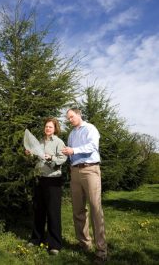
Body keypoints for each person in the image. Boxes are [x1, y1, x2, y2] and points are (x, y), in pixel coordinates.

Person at [62, 108, 107, 264]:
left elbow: (93, 147)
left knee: (95, 208)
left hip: (90, 170)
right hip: (75, 172)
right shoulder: (72, 134)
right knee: (78, 210)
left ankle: (101, 251)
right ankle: (84, 244)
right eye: (68, 118)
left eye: (72, 117)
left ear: (79, 114)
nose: (70, 120)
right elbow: (69, 153)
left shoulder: (90, 128)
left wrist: (73, 150)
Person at [25, 117, 67, 255]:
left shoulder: (59, 142)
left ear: (55, 129)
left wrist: (51, 158)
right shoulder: (40, 141)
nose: (48, 128)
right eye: (46, 126)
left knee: (53, 212)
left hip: (53, 180)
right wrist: (30, 154)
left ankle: (54, 245)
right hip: (39, 179)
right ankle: (36, 239)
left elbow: (62, 159)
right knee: (38, 210)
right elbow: (37, 158)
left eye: (50, 127)